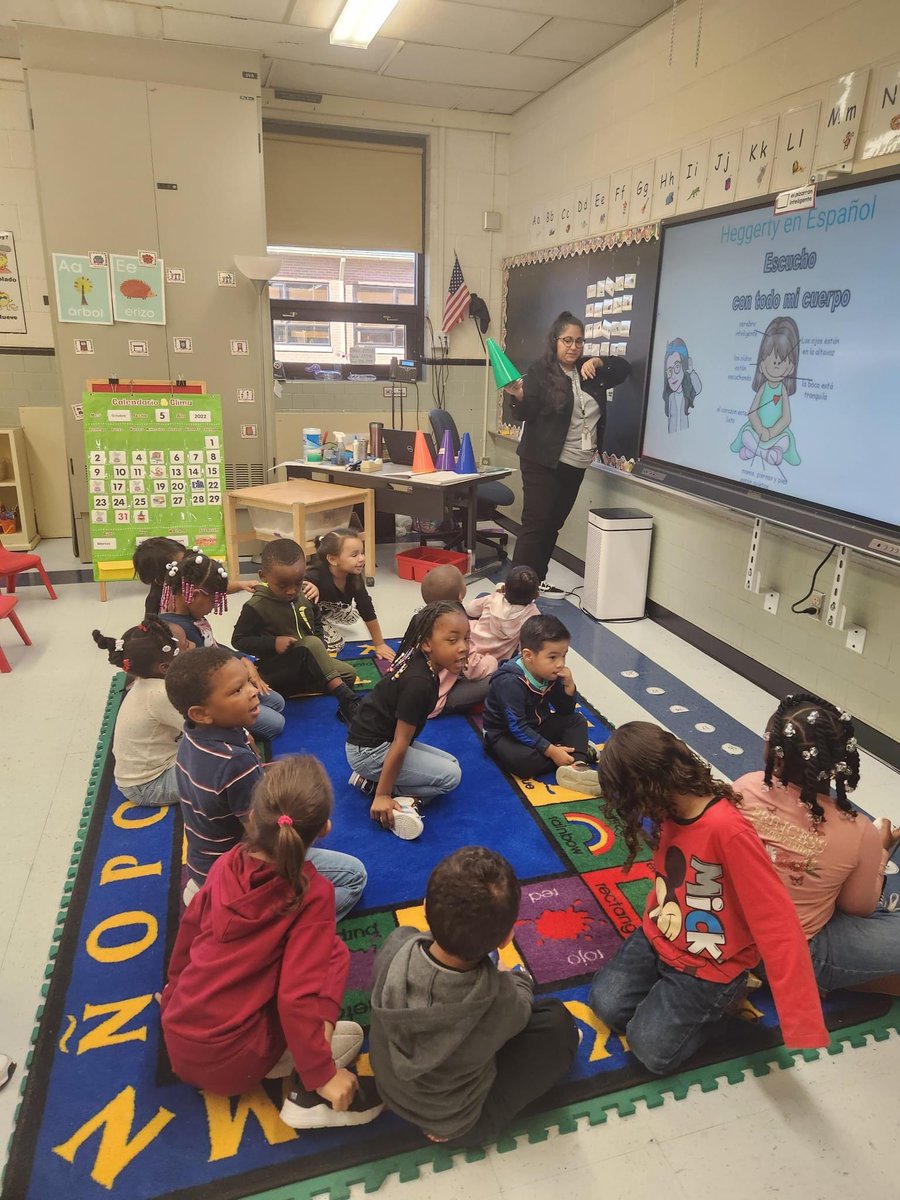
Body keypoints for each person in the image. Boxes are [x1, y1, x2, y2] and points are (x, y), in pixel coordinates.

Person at [588, 722, 829, 1075]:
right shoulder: (668, 808)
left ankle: (718, 1012)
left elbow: (776, 920)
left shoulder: (727, 830)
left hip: (711, 964)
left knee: (651, 1051)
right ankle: (681, 1000)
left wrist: (801, 1019)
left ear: (646, 788)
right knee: (605, 1005)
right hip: (661, 936)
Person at [161, 755, 383, 1128]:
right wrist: (321, 1073)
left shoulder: (226, 862)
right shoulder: (313, 894)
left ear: (251, 817)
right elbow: (296, 997)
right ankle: (307, 1096)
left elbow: (188, 937)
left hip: (178, 1036)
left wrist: (171, 995)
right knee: (335, 955)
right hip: (235, 1065)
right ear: (324, 829)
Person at [369, 846, 578, 1146]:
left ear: (425, 907)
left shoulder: (396, 944)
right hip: (455, 1124)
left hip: (391, 1090)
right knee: (557, 1025)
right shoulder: (499, 998)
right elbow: (521, 1004)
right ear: (507, 939)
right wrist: (514, 975)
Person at [165, 646, 366, 913]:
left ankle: (213, 892)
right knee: (354, 876)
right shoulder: (235, 764)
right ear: (201, 713)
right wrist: (312, 827)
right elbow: (264, 837)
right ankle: (270, 927)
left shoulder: (193, 736)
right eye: (237, 691)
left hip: (204, 861)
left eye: (248, 682)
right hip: (237, 871)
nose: (252, 691)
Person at [736, 693, 900, 995]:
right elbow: (857, 907)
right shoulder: (858, 830)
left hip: (728, 942)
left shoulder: (745, 786)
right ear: (842, 761)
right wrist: (878, 850)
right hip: (794, 958)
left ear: (775, 753)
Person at [505, 311, 632, 594]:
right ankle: (515, 591)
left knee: (553, 526)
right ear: (555, 341)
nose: (574, 347)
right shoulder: (540, 371)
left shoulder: (590, 371)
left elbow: (625, 369)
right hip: (542, 461)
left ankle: (535, 581)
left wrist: (600, 361)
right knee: (536, 525)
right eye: (567, 340)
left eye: (579, 341)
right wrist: (518, 396)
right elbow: (526, 411)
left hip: (575, 462)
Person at [345, 602, 466, 841]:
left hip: (374, 742)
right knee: (451, 777)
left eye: (466, 638)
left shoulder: (422, 661)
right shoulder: (419, 683)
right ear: (427, 644)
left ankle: (369, 781)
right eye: (453, 641)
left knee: (452, 762)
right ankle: (400, 798)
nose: (464, 647)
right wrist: (382, 795)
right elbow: (400, 743)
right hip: (371, 751)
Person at [159, 549, 285, 742]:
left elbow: (213, 647)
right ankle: (225, 727)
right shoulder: (180, 631)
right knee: (276, 724)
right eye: (214, 600)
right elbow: (206, 677)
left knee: (277, 702)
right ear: (194, 595)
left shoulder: (189, 612)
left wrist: (242, 659)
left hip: (225, 679)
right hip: (212, 695)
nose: (213, 607)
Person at [231, 538, 361, 725]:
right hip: (277, 667)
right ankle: (347, 700)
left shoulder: (306, 595)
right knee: (312, 645)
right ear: (263, 576)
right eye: (283, 585)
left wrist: (320, 647)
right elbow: (239, 640)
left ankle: (303, 687)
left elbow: (317, 623)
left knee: (349, 674)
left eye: (298, 583)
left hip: (306, 664)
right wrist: (273, 643)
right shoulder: (256, 606)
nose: (292, 591)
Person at [482, 614, 600, 795]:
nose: (560, 664)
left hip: (537, 725)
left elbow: (564, 711)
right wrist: (551, 750)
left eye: (564, 655)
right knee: (523, 763)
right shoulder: (510, 682)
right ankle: (574, 751)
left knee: (576, 720)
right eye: (552, 657)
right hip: (504, 735)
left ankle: (577, 765)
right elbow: (517, 727)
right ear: (528, 655)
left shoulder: (549, 673)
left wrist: (569, 687)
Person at [92, 617, 191, 806]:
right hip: (148, 786)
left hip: (161, 762)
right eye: (183, 650)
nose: (189, 648)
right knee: (220, 767)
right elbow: (204, 730)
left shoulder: (147, 682)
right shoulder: (160, 694)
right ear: (165, 667)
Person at [305, 529, 395, 660]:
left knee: (352, 616)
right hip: (312, 616)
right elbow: (294, 588)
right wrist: (307, 585)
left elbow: (367, 609)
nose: (362, 558)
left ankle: (325, 617)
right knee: (336, 643)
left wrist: (379, 644)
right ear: (332, 559)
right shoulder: (315, 576)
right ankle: (320, 622)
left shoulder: (354, 577)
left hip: (327, 608)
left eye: (362, 553)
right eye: (354, 555)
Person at [420, 564, 497, 716]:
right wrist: (492, 661)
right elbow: (474, 670)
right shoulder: (460, 629)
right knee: (499, 679)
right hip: (435, 701)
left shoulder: (421, 619)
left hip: (417, 690)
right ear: (461, 596)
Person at [730, 315, 801, 468]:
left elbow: (786, 418)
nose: (776, 366)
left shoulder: (782, 390)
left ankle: (753, 451)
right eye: (771, 360)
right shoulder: (763, 388)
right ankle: (765, 454)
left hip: (776, 435)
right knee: (746, 435)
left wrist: (771, 432)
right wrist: (761, 430)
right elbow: (752, 413)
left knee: (786, 441)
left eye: (781, 361)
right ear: (761, 365)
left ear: (791, 367)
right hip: (757, 431)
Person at [133, 536, 258, 618]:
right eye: (180, 565)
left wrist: (241, 585)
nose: (187, 565)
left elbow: (211, 587)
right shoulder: (159, 607)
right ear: (161, 580)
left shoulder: (186, 581)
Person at [466, 565, 540, 663]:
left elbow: (469, 610)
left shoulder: (493, 599)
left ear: (504, 588)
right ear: (537, 595)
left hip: (469, 644)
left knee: (483, 596)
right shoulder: (533, 615)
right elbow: (524, 649)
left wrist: (497, 594)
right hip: (496, 659)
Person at [662, 337, 702, 433]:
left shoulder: (687, 393)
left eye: (677, 367)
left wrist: (691, 371)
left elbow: (698, 388)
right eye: (669, 371)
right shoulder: (670, 397)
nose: (673, 376)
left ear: (684, 366)